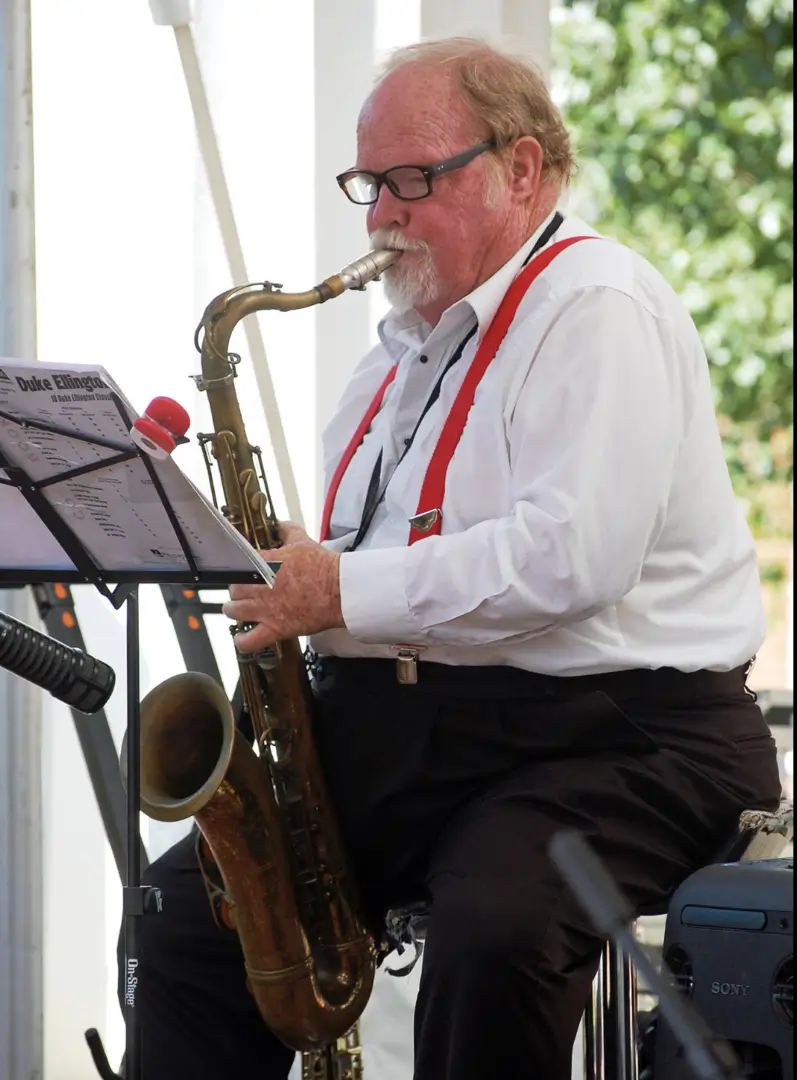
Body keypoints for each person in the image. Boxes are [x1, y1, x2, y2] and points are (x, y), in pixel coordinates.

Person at [120, 36, 782, 1080]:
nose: (381, 214)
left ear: (521, 170)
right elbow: (394, 563)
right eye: (367, 184)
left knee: (495, 932)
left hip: (622, 743)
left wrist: (337, 586)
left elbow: (571, 559)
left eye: (413, 180)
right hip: (435, 739)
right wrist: (289, 568)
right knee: (182, 920)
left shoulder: (594, 305)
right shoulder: (398, 357)